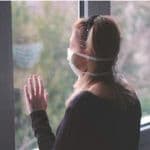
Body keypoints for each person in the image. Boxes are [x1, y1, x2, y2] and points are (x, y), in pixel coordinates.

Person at [24, 15, 142, 150]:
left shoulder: (83, 106)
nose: (68, 52)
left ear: (86, 57)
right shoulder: (130, 97)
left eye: (71, 46)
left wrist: (38, 115)